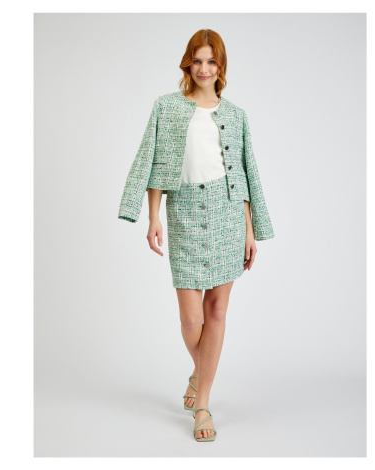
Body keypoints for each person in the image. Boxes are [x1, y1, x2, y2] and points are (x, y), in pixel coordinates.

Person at [118, 29, 274, 441]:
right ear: (188, 63)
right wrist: (153, 216)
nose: (204, 69)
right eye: (198, 60)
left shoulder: (236, 115)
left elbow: (245, 175)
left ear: (221, 67)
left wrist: (250, 230)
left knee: (216, 312)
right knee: (191, 319)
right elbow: (154, 162)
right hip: (184, 211)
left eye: (212, 61)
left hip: (228, 213)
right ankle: (199, 371)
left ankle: (201, 402)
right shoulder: (166, 107)